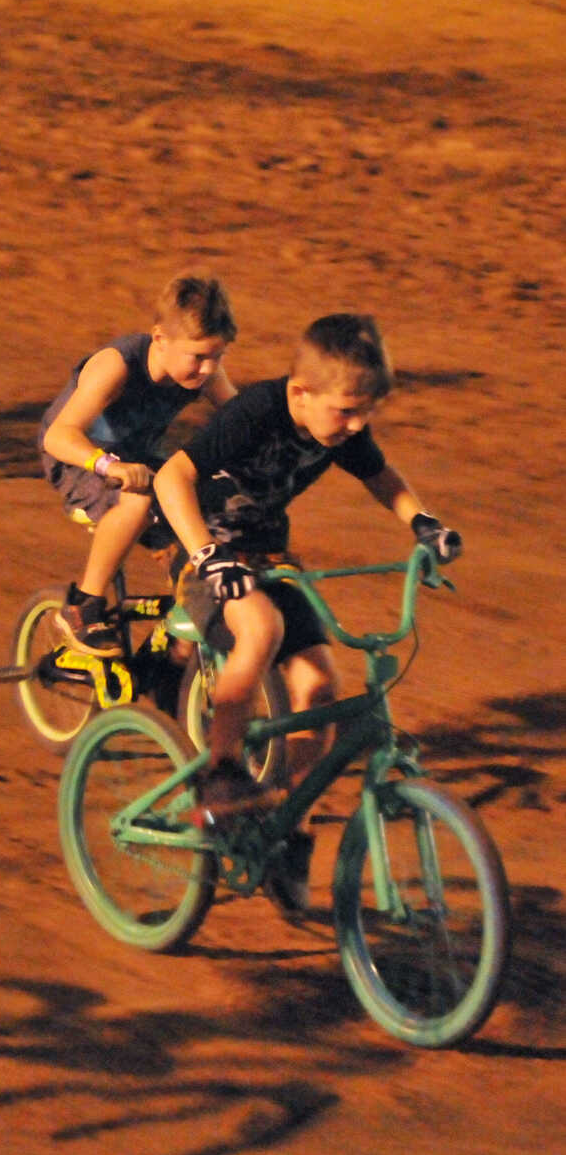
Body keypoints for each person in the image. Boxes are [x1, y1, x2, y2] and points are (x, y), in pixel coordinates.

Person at [153, 312, 462, 910]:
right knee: (260, 626)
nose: (357, 425)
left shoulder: (340, 427)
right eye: (346, 412)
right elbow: (172, 478)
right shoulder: (256, 413)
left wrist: (423, 523)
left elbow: (381, 476)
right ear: (300, 393)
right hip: (201, 553)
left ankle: (288, 828)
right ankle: (221, 770)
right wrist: (209, 555)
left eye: (365, 412)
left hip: (270, 559)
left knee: (319, 686)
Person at [39, 271, 238, 656]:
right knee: (139, 500)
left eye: (218, 356)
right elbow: (58, 437)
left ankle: (180, 630)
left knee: (209, 502)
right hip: (79, 459)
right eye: (198, 357)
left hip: (137, 459)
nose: (208, 369)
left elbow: (240, 418)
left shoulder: (205, 372)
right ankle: (84, 605)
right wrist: (108, 466)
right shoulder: (116, 366)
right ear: (160, 339)